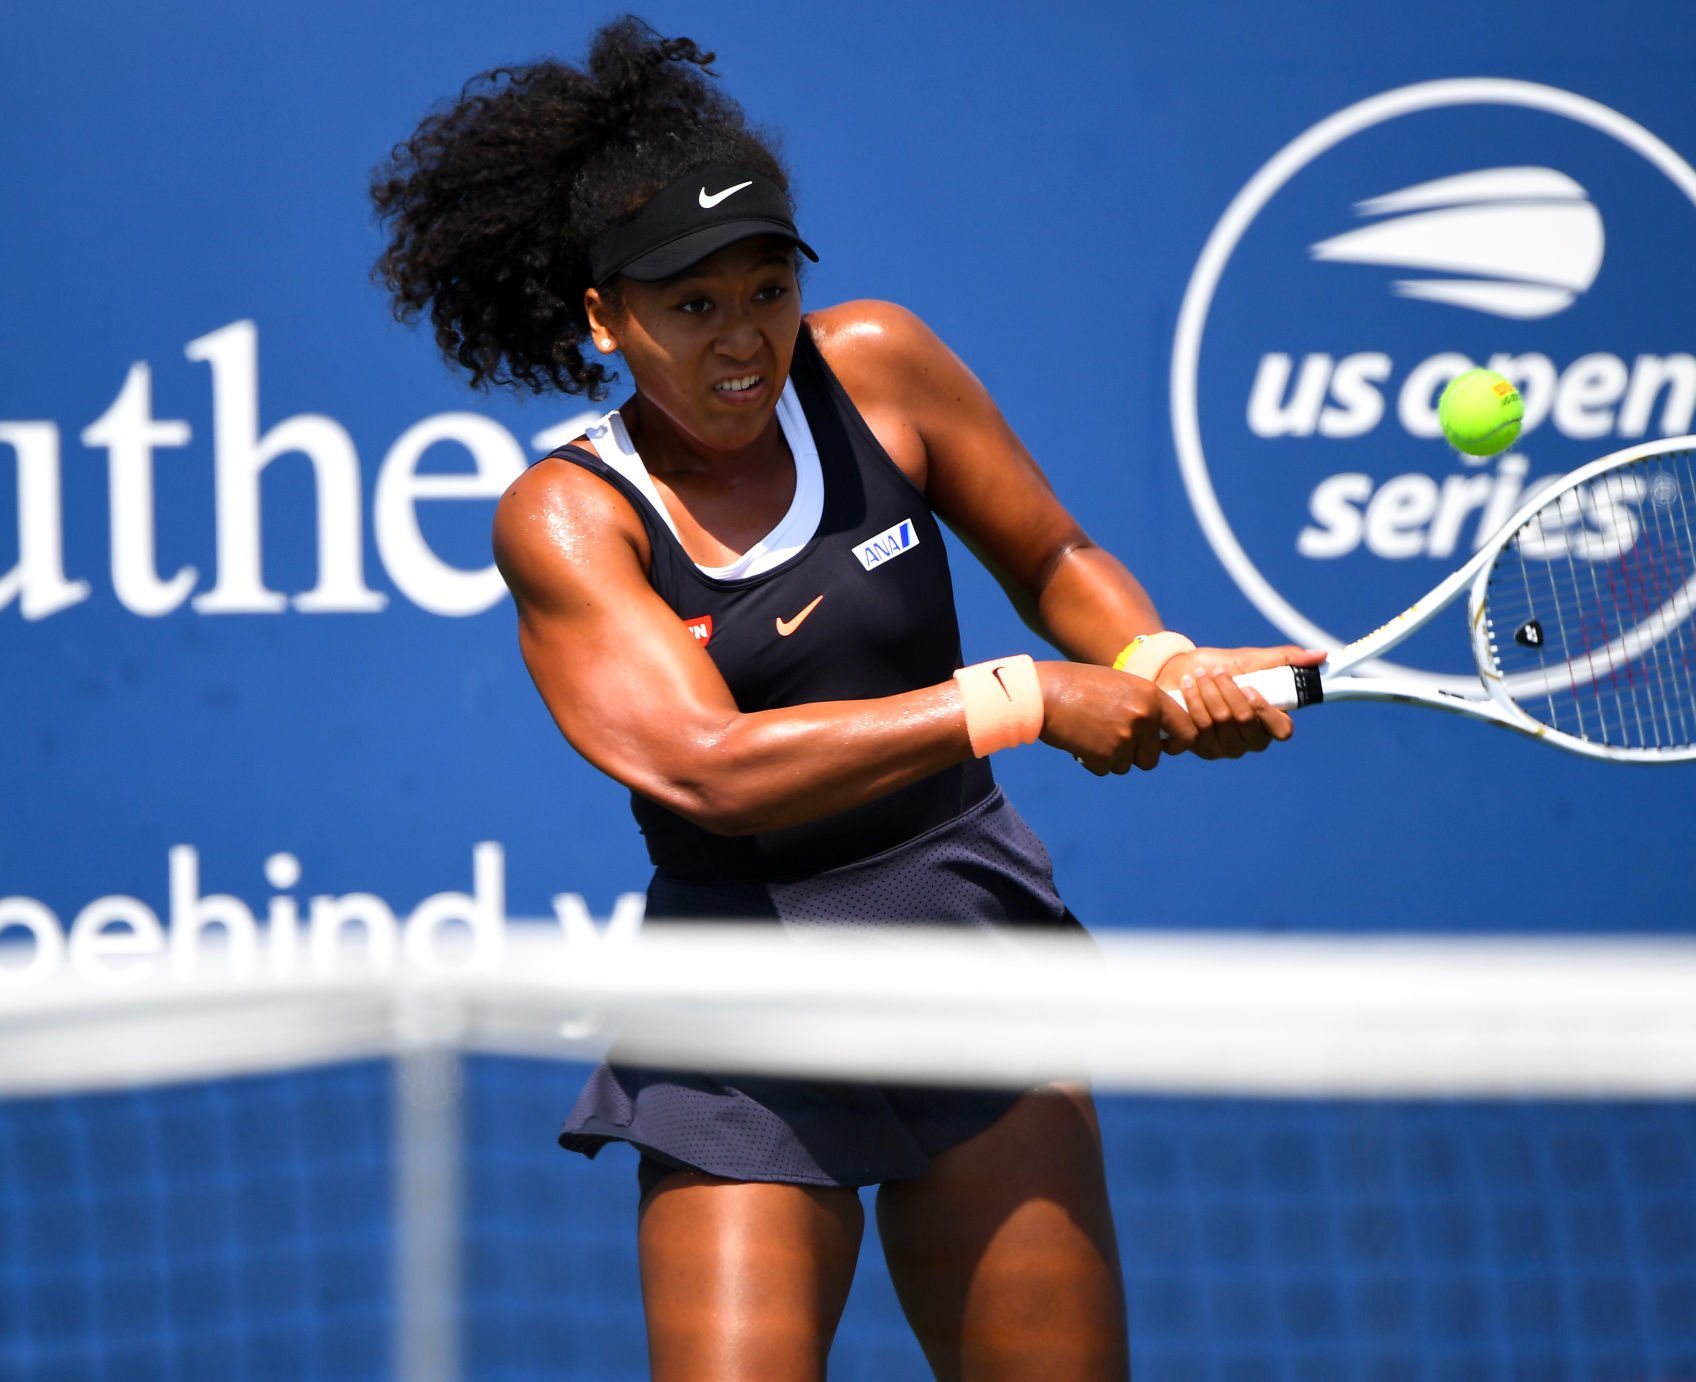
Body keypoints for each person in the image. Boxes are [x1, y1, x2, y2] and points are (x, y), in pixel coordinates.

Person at [372, 18, 1318, 1380]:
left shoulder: (878, 364)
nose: (744, 339)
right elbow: (709, 764)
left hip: (969, 947)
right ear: (605, 318)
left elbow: (1054, 558)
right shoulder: (567, 518)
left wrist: (1154, 661)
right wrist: (1021, 700)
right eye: (693, 306)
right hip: (738, 1001)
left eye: (767, 290)